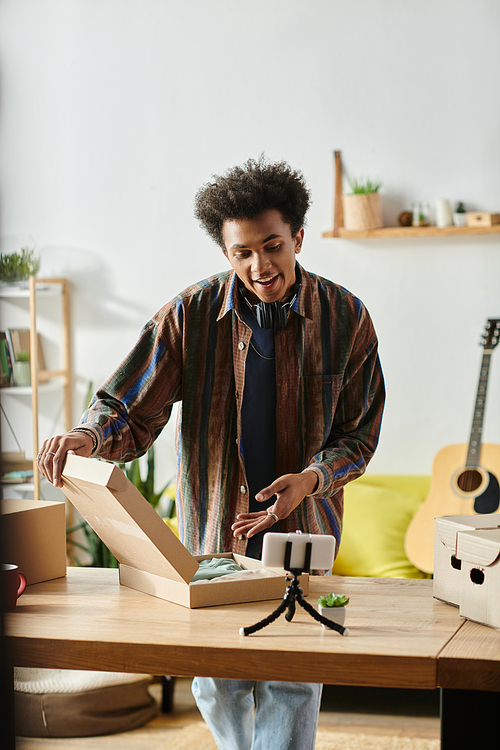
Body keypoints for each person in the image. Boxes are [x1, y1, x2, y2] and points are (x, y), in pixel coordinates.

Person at [38, 156, 385, 750]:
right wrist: (88, 436)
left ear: (298, 237)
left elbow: (359, 434)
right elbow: (130, 407)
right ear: (225, 251)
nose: (260, 265)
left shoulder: (347, 318)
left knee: (291, 680)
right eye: (241, 252)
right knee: (216, 681)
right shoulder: (189, 314)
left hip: (301, 529)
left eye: (272, 245)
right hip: (212, 529)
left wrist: (312, 478)